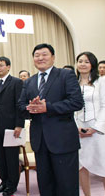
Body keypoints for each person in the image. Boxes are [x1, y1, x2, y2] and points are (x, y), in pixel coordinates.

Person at [18, 43, 84, 196]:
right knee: (45, 185)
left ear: (53, 58)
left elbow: (76, 102)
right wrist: (31, 107)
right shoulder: (29, 82)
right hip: (40, 142)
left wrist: (48, 107)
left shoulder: (65, 75)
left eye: (44, 54)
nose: (40, 58)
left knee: (66, 185)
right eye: (37, 55)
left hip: (63, 141)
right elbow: (20, 106)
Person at [75, 52, 105, 196]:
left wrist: (95, 128)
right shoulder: (72, 82)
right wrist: (76, 128)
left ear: (93, 65)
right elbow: (70, 107)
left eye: (87, 62)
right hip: (79, 129)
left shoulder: (101, 81)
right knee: (81, 165)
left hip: (98, 130)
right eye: (80, 61)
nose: (83, 64)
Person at [0, 56, 24, 196]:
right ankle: (3, 181)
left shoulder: (16, 82)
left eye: (1, 65)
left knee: (11, 158)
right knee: (0, 158)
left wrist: (19, 125)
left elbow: (20, 106)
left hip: (11, 127)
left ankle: (12, 185)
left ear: (8, 67)